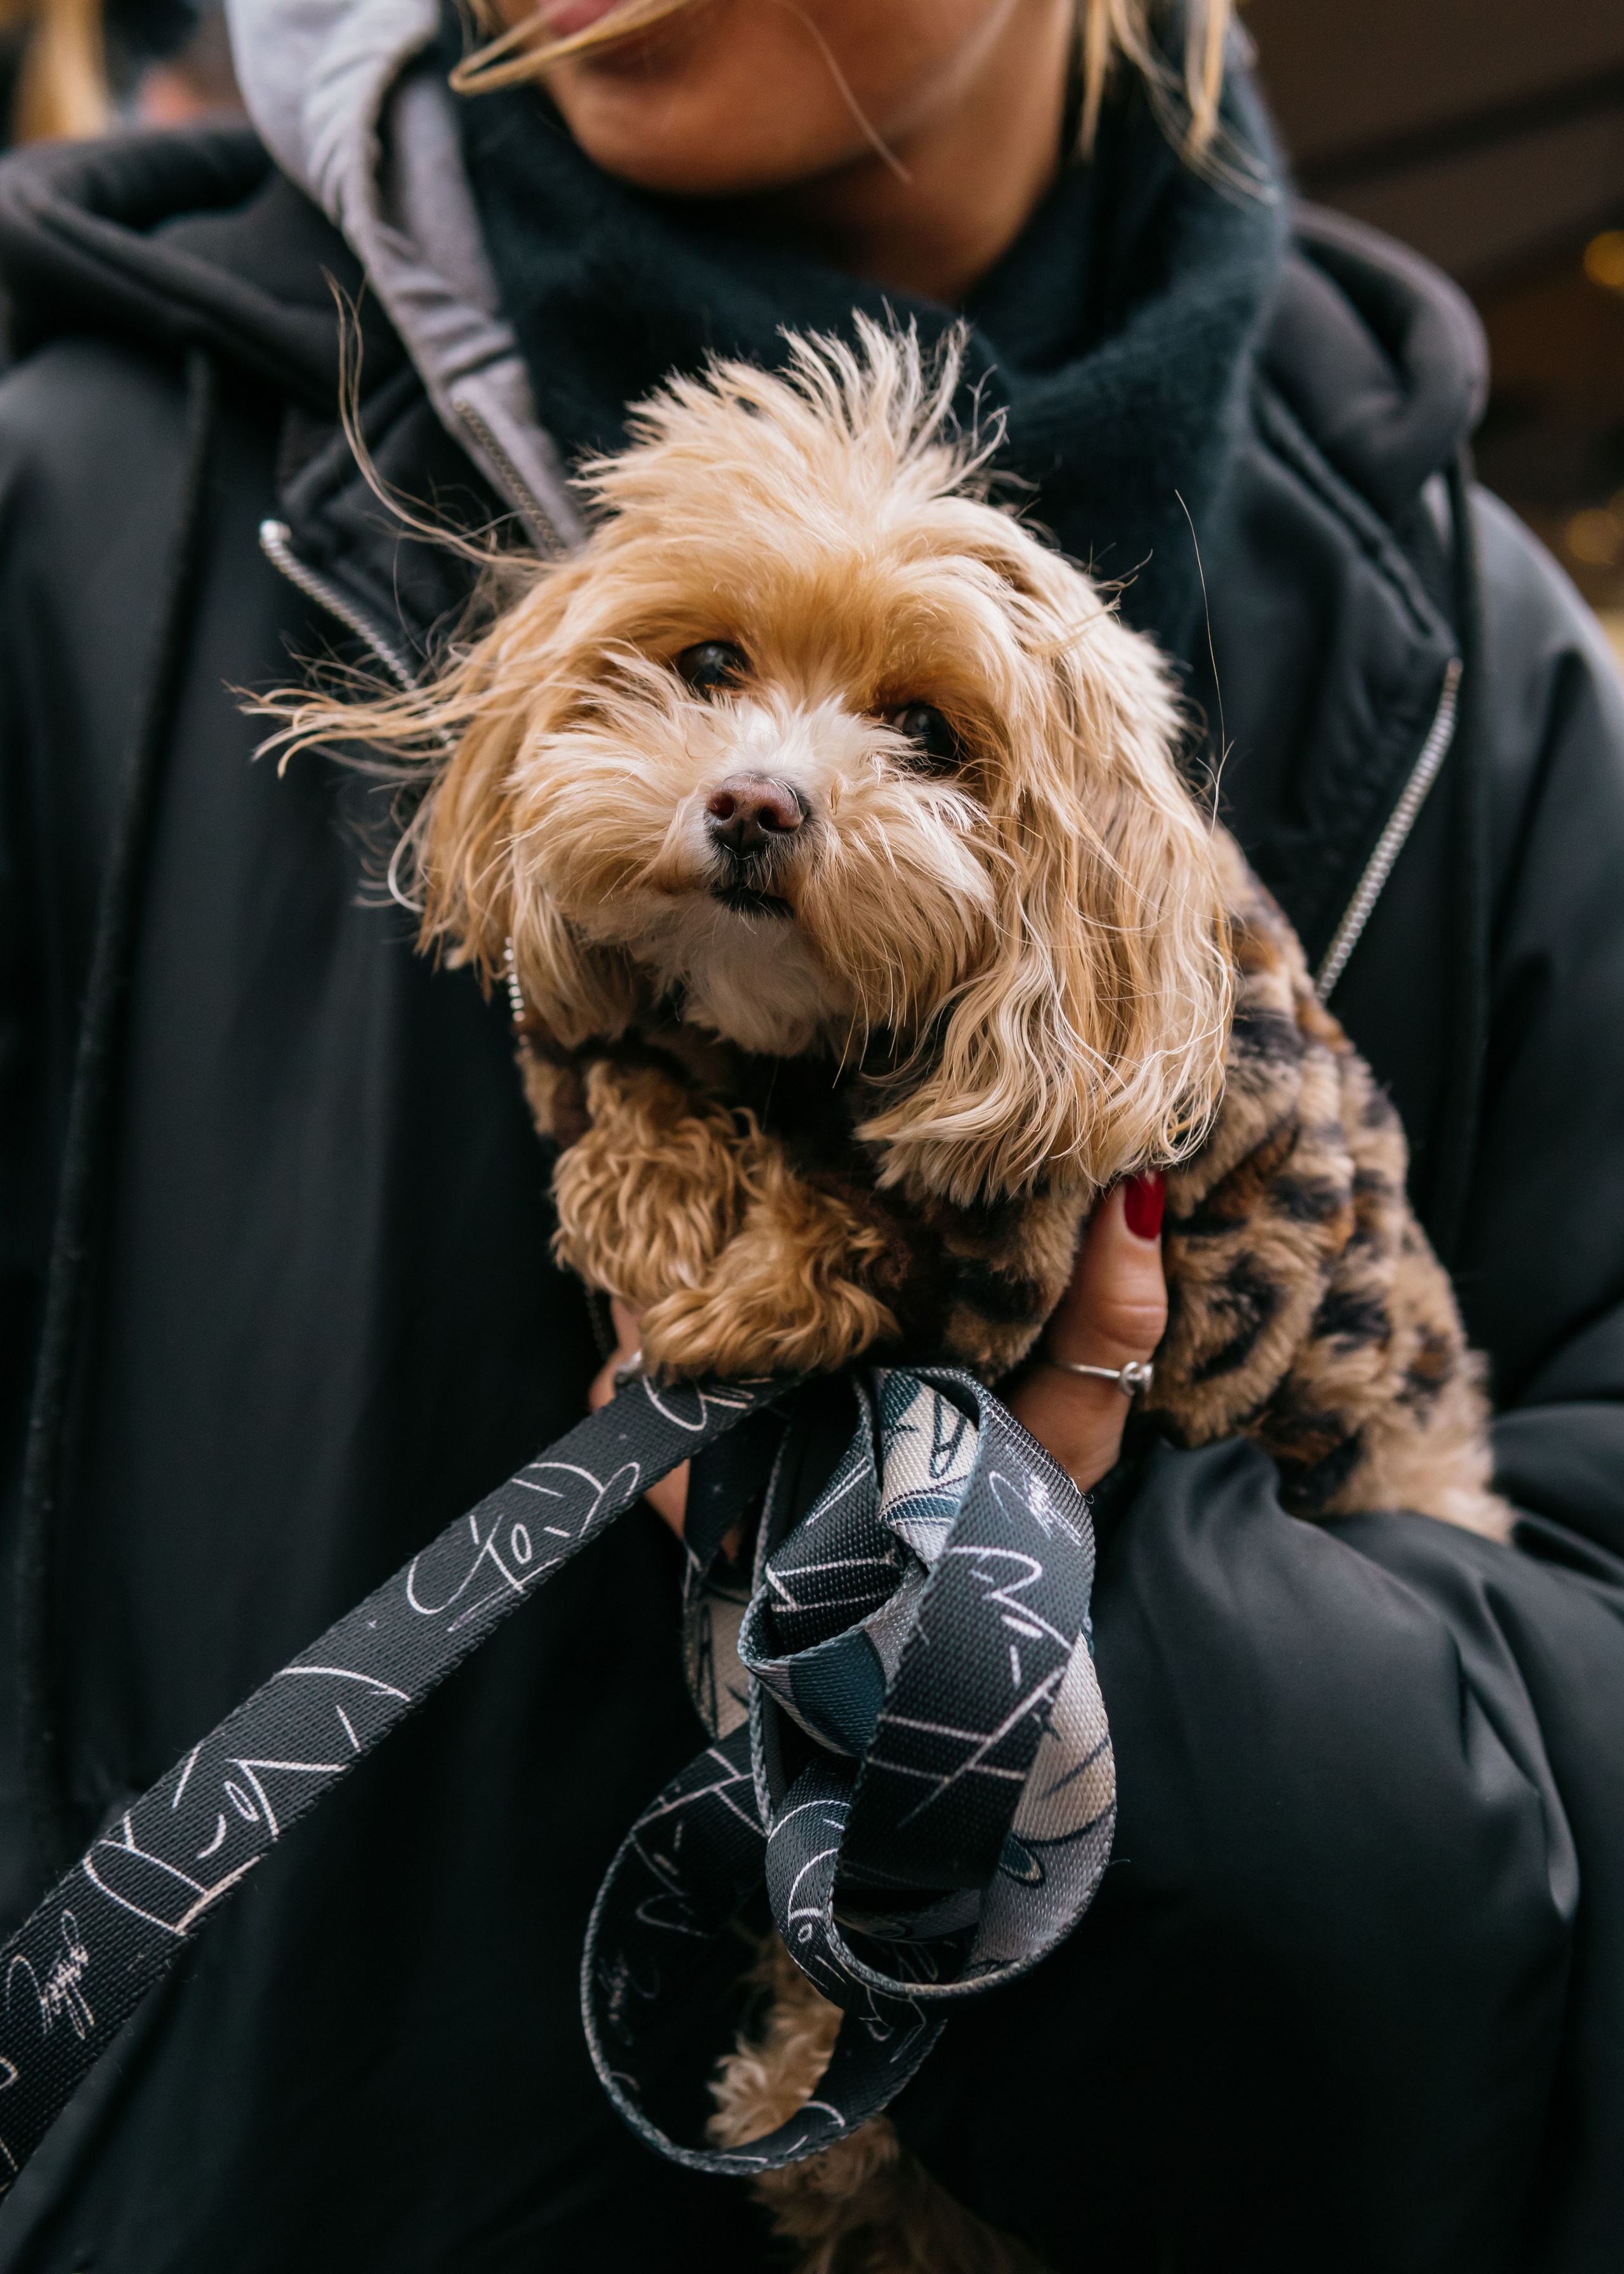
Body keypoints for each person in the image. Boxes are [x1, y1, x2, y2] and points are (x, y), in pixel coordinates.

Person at [0, 2, 1620, 2267]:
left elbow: (1565, 1941)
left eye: (918, 733)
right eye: (692, 675)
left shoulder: (1501, 686)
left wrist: (1068, 1657)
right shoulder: (66, 498)